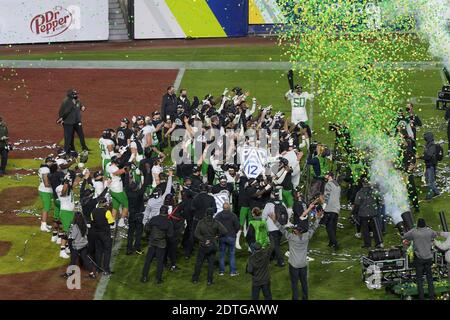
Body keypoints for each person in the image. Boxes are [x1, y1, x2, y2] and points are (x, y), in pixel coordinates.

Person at [269, 203, 323, 300]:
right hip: (303, 264)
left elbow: (281, 229)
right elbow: (314, 228)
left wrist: (274, 220)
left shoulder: (291, 237)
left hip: (293, 265)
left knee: (294, 284)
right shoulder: (306, 236)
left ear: (295, 231)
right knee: (304, 283)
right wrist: (318, 218)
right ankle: (305, 298)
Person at [402, 218, 437, 300]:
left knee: (419, 278)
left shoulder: (414, 232)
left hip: (419, 258)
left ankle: (421, 297)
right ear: (425, 224)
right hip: (428, 258)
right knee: (429, 278)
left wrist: (414, 229)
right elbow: (435, 234)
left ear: (417, 224)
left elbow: (405, 236)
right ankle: (431, 296)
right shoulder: (429, 231)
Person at [192, 208, 227, 286]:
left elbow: (196, 234)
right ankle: (209, 281)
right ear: (213, 214)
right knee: (211, 264)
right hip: (212, 245)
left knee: (199, 263)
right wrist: (217, 236)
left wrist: (204, 240)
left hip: (203, 246)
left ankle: (195, 279)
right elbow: (225, 231)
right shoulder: (216, 222)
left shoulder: (201, 222)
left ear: (205, 214)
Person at [141, 205, 174, 284]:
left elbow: (147, 228)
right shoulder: (168, 222)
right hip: (161, 244)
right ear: (166, 212)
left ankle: (144, 277)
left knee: (148, 261)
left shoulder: (154, 219)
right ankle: (158, 279)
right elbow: (170, 235)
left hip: (152, 242)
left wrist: (151, 234)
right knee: (160, 262)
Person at [353, 180, 383, 249]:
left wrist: (354, 213)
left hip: (363, 214)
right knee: (376, 229)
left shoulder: (360, 192)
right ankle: (379, 243)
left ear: (363, 183)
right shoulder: (374, 191)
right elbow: (379, 200)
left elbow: (357, 204)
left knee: (365, 230)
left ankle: (367, 244)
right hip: (373, 213)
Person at [66, 212, 96, 279]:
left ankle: (69, 273)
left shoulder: (75, 226)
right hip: (84, 245)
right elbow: (87, 233)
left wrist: (68, 234)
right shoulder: (84, 225)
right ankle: (92, 273)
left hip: (76, 246)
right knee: (85, 259)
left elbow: (72, 237)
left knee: (73, 260)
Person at [90, 197, 115, 275]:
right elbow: (112, 223)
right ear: (104, 203)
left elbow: (92, 221)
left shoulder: (93, 211)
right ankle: (106, 270)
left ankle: (98, 269)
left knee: (98, 251)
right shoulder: (107, 212)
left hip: (96, 234)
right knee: (107, 251)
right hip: (105, 234)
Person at [215, 203, 240, 276]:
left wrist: (218, 234)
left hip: (222, 237)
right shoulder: (233, 215)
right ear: (229, 208)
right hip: (231, 237)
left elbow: (215, 225)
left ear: (223, 207)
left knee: (222, 254)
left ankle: (221, 271)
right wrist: (234, 233)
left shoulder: (218, 215)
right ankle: (232, 272)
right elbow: (237, 226)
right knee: (231, 255)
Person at [323, 171, 341, 250]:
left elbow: (326, 196)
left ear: (329, 176)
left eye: (326, 174)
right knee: (333, 227)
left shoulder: (328, 184)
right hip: (336, 208)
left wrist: (324, 206)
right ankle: (331, 242)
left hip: (330, 208)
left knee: (329, 227)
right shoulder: (337, 184)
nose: (325, 176)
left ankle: (335, 243)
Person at [38, 157, 56, 232]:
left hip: (43, 189)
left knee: (46, 207)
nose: (52, 164)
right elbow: (46, 184)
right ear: (48, 162)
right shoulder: (46, 170)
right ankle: (43, 226)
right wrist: (55, 184)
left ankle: (43, 223)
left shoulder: (43, 168)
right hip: (45, 190)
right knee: (46, 208)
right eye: (51, 162)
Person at [420, 132, 440, 200]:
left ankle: (429, 196)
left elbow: (428, 156)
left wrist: (420, 157)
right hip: (428, 164)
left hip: (431, 165)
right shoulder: (428, 144)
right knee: (430, 180)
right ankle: (436, 192)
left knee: (430, 182)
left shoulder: (432, 146)